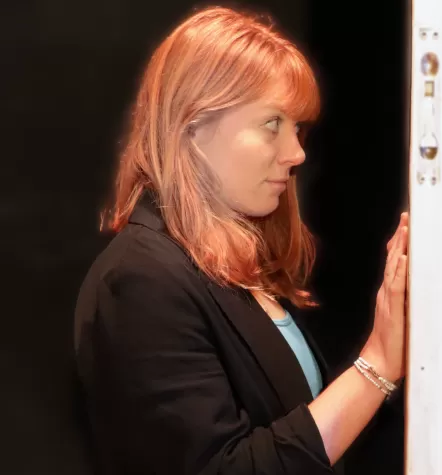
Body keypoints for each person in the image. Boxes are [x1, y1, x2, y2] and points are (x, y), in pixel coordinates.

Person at [73, 7, 408, 475]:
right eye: (272, 124)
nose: (296, 154)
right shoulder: (140, 280)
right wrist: (375, 366)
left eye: (297, 128)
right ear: (193, 125)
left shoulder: (233, 273)